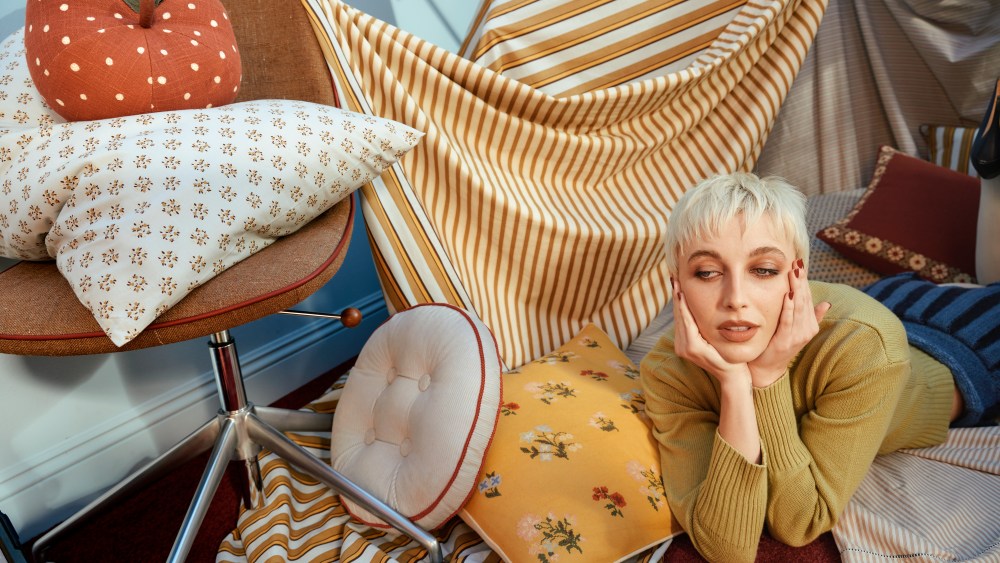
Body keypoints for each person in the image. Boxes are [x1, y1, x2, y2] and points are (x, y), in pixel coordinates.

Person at [639, 170, 999, 562]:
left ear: (796, 277)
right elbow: (725, 547)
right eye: (707, 272)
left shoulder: (866, 346)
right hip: (872, 304)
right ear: (677, 284)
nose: (735, 298)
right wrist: (736, 384)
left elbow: (798, 523)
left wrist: (768, 379)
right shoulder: (668, 371)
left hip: (970, 345)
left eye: (763, 270)